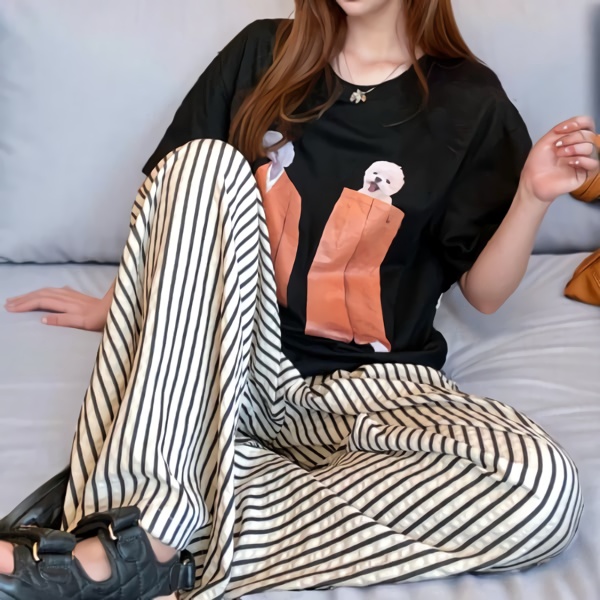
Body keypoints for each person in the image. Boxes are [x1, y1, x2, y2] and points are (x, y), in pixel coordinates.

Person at [1, 0, 597, 598]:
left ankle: (166, 536)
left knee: (539, 489)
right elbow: (180, 200)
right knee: (204, 161)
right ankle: (143, 531)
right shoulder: (262, 53)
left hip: (372, 391)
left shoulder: (471, 102)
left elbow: (485, 295)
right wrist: (122, 302)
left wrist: (532, 197)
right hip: (228, 368)